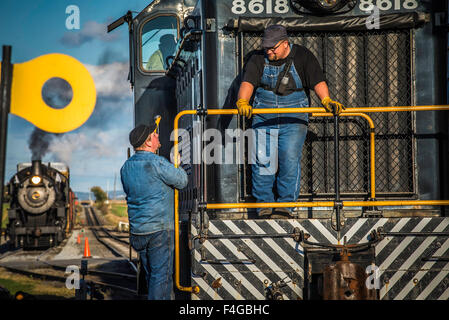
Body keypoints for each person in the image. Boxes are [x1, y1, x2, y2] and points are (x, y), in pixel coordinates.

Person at [236, 24, 345, 219]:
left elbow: (317, 81)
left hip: (293, 118)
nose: (269, 51)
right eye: (266, 47)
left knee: (289, 160)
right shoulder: (258, 58)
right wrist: (243, 100)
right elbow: (248, 82)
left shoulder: (303, 56)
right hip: (263, 117)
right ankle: (264, 206)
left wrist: (326, 100)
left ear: (285, 44)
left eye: (273, 48)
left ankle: (286, 206)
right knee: (262, 162)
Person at [120, 119, 188, 300]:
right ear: (149, 142)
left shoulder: (125, 167)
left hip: (138, 231)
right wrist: (177, 164)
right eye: (155, 134)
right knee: (161, 278)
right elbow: (182, 181)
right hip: (159, 230)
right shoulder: (157, 162)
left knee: (151, 276)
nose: (158, 136)